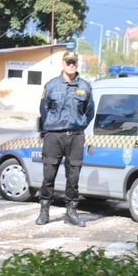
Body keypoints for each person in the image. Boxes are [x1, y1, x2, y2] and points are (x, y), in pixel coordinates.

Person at [35, 51, 95, 227]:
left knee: (73, 177)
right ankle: (44, 210)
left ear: (77, 65)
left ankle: (71, 211)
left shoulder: (85, 86)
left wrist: (79, 125)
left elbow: (89, 111)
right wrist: (51, 126)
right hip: (54, 136)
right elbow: (43, 109)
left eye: (74, 63)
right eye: (68, 62)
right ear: (63, 64)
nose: (71, 65)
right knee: (48, 175)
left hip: (75, 136)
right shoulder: (51, 86)